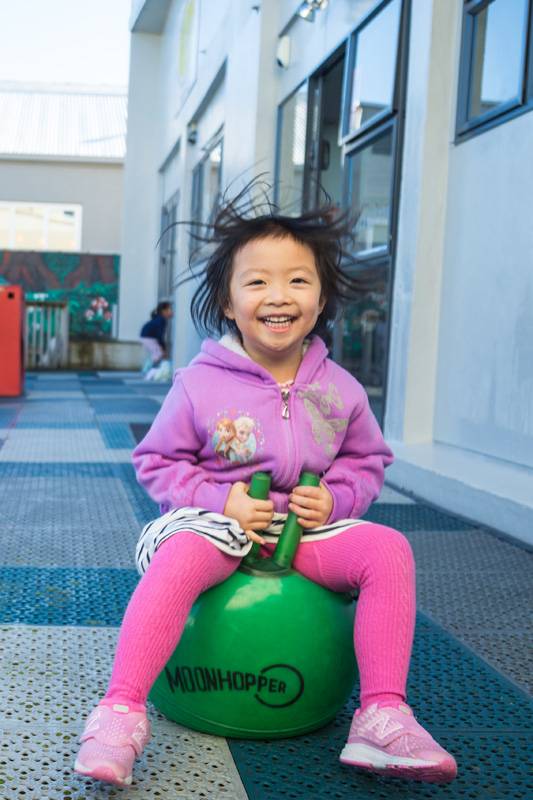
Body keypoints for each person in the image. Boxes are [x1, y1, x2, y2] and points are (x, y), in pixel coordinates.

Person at [74, 188, 457, 788]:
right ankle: (119, 712)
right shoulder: (199, 384)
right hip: (215, 524)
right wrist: (218, 499)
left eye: (298, 281)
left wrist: (337, 498)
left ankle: (382, 714)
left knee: (389, 549)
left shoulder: (341, 389)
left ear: (321, 299)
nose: (279, 295)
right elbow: (156, 460)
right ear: (228, 303)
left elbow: (367, 461)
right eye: (257, 282)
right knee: (181, 556)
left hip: (305, 529)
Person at [139, 301, 173, 370]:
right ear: (164, 311)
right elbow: (159, 335)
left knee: (157, 354)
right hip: (148, 337)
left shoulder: (159, 318)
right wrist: (163, 348)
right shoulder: (161, 320)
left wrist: (162, 347)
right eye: (170, 309)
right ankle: (151, 369)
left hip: (146, 336)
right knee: (159, 354)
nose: (171, 312)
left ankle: (149, 369)